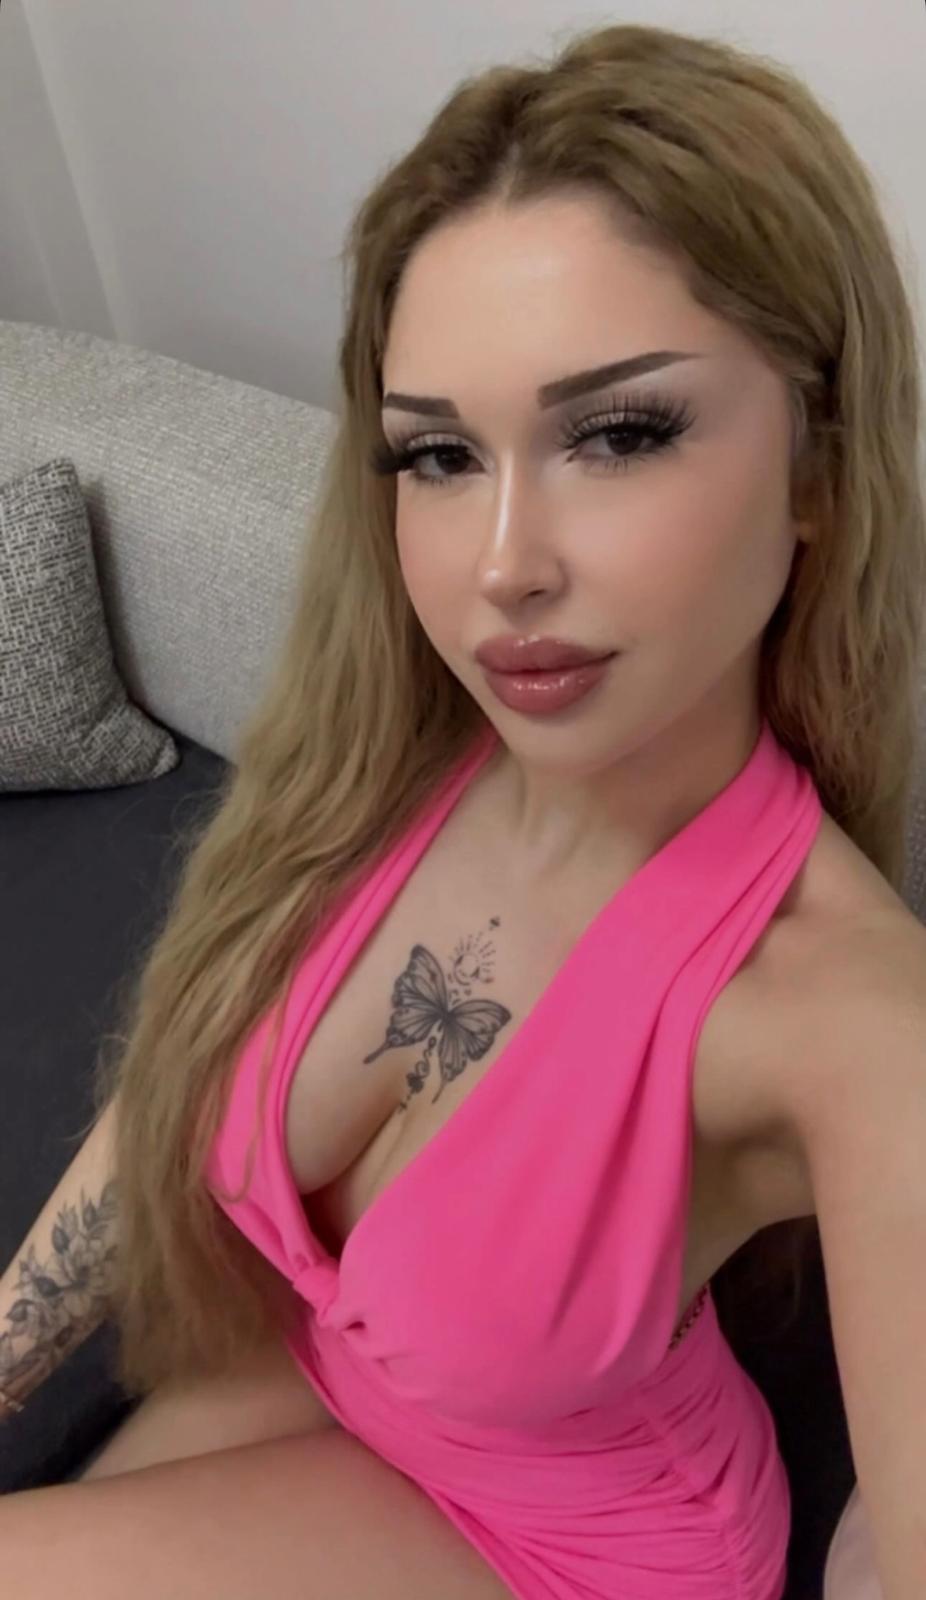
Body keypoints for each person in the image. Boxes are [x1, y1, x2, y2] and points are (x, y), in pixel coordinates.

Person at [1, 19, 921, 1600]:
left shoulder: (846, 1014)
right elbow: (164, 1108)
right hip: (343, 1390)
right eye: (436, 454)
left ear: (817, 471)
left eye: (617, 434)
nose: (500, 567)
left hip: (587, 1549)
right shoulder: (390, 761)